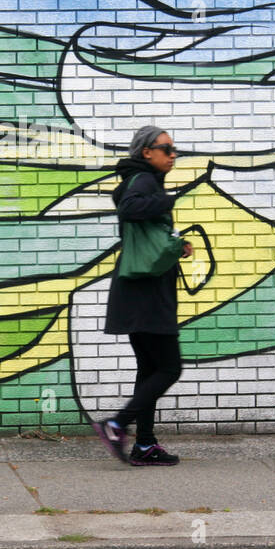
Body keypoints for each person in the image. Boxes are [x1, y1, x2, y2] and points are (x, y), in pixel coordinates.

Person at [92, 125, 191, 466]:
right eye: (167, 148)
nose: (173, 154)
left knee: (150, 370)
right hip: (147, 293)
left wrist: (177, 247)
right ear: (147, 152)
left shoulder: (139, 180)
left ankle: (145, 445)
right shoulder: (144, 182)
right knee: (169, 368)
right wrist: (168, 200)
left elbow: (144, 230)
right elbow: (130, 209)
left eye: (174, 148)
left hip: (137, 289)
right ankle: (116, 425)